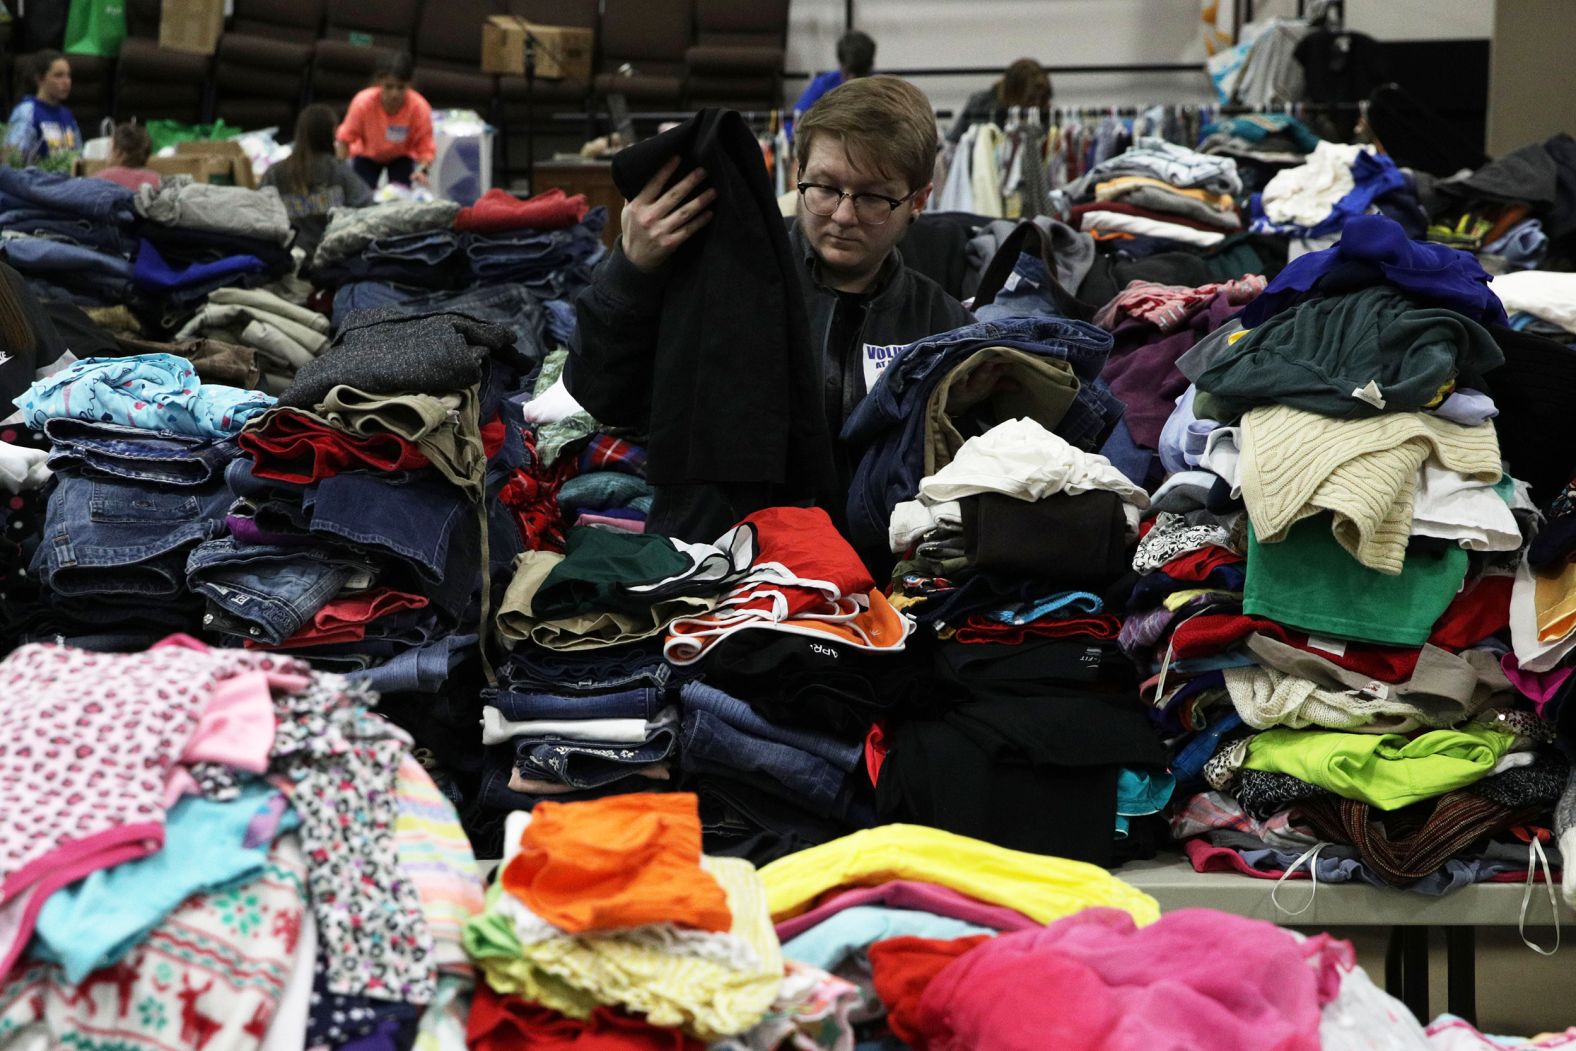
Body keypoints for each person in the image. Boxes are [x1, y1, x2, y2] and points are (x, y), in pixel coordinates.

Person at [568, 75, 971, 535]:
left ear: (919, 199)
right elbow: (597, 391)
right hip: (722, 580)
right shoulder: (717, 274)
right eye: (823, 187)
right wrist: (631, 269)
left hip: (876, 590)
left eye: (872, 197)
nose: (842, 215)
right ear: (797, 172)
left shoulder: (944, 327)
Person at [264, 103, 373, 257]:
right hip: (331, 259)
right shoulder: (339, 171)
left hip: (285, 258)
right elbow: (367, 208)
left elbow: (259, 212)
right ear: (331, 133)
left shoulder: (274, 173)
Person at [335, 52, 434, 190]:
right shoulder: (362, 103)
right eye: (388, 87)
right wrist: (340, 170)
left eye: (400, 87)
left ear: (409, 85)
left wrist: (422, 170)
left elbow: (426, 147)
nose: (394, 94)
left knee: (401, 196)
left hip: (401, 157)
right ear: (379, 83)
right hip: (367, 156)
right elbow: (345, 139)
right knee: (361, 195)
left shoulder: (419, 107)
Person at [947, 58, 1051, 143]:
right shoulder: (979, 105)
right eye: (1031, 99)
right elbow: (953, 144)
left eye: (1042, 98)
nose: (1036, 104)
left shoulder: (1046, 115)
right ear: (1015, 92)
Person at [4, 51, 80, 164]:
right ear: (40, 79)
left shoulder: (67, 114)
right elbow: (12, 160)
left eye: (68, 75)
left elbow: (79, 156)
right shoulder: (27, 111)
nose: (66, 82)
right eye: (58, 75)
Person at [793, 30, 876, 118]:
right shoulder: (823, 85)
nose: (852, 79)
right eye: (848, 73)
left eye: (859, 73)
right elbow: (795, 120)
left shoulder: (881, 89)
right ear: (841, 64)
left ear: (870, 68)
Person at [91, 122, 160, 191]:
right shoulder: (155, 179)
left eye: (109, 149)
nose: (106, 156)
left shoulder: (101, 179)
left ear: (119, 152)